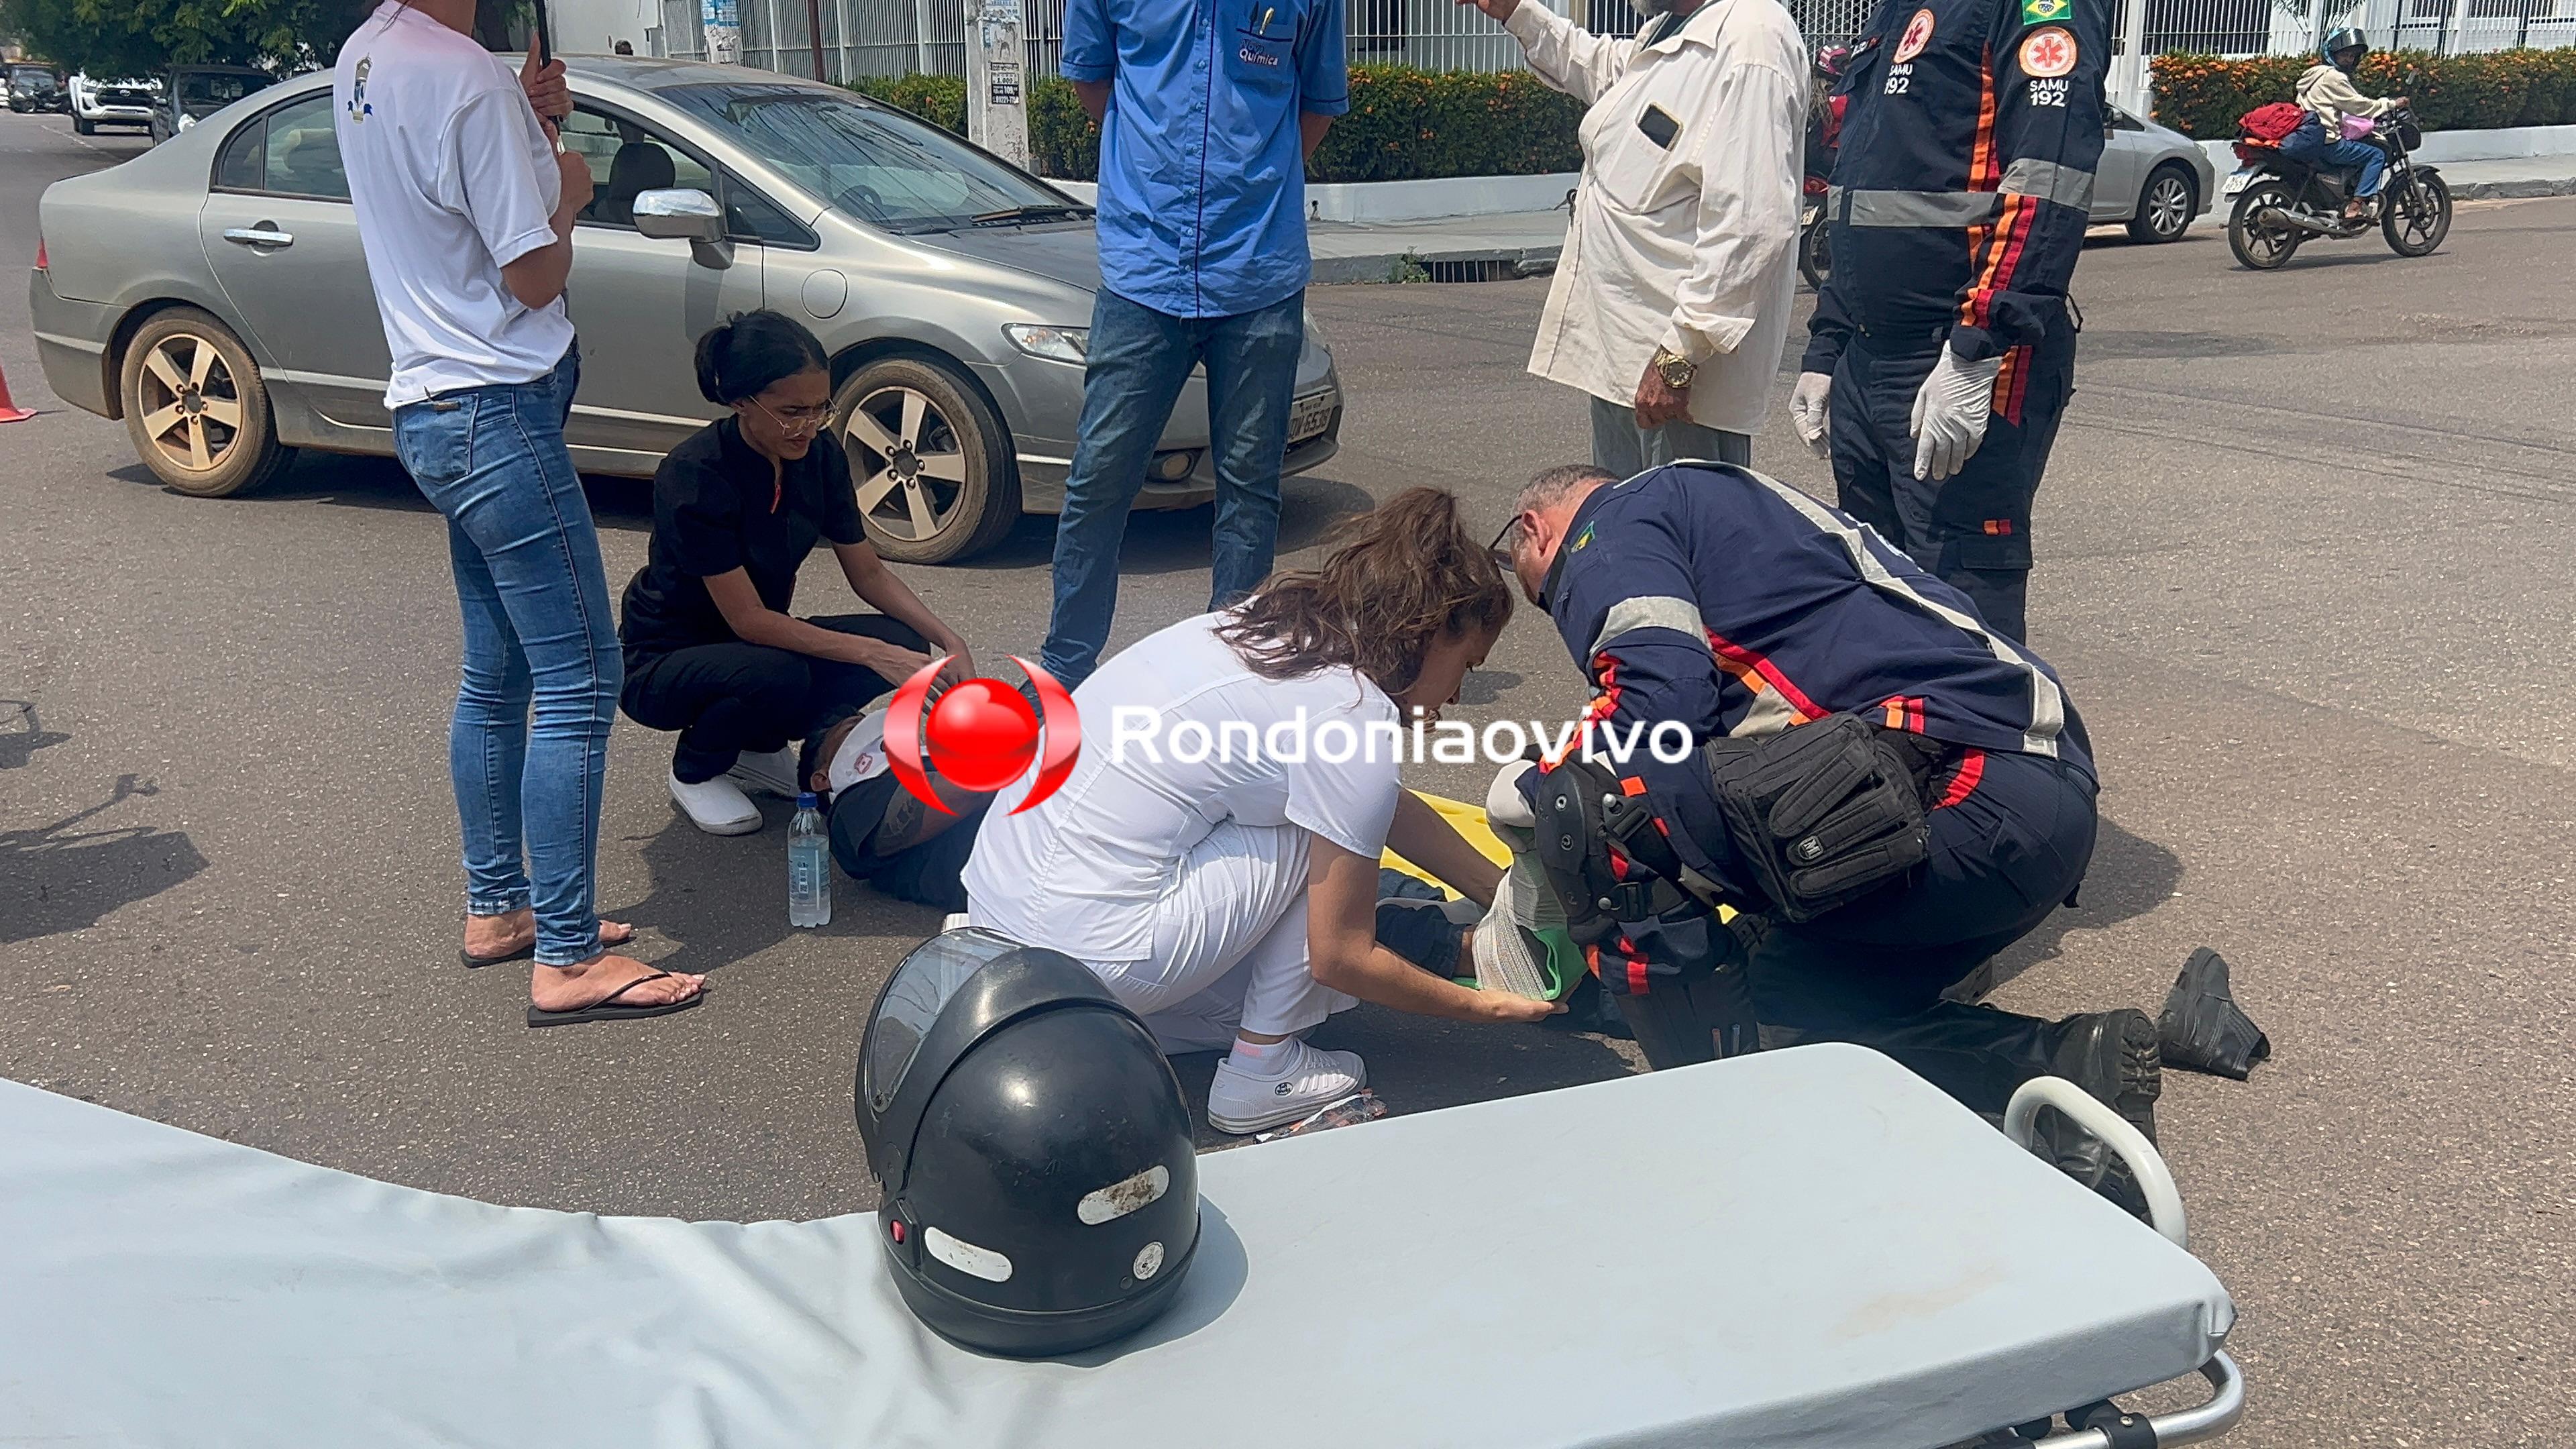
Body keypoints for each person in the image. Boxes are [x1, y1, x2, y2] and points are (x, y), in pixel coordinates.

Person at [1493, 462, 2161, 1199]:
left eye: (1550, 595)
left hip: (1965, 786)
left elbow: (1659, 709)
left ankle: (1718, 1139)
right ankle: (2066, 1065)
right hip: (2020, 811)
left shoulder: (1610, 525)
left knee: (1594, 811)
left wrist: (1536, 790)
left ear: (1537, 530)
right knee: (1776, 1016)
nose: (1565, 612)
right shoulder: (1723, 512)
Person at [965, 490, 1559, 1134]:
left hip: (999, 925)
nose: (1461, 694)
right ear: (1429, 630)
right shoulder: (1350, 715)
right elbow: (1341, 955)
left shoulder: (1270, 626)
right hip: (1087, 945)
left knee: (1315, 866)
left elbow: (1376, 805)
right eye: (1466, 664)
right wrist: (1484, 1009)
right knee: (1318, 846)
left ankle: (1111, 1021)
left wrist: (1501, 893)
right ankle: (1260, 1073)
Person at [336, 0, 704, 1028]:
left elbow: (450, 205)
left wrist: (531, 125)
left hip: (435, 404)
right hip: (496, 409)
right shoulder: (464, 77)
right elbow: (533, 275)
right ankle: (570, 956)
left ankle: (501, 906)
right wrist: (571, 188)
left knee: (497, 675)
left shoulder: (371, 53)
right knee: (583, 678)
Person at [1036, 0, 1348, 689]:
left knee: (1250, 490)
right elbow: (1093, 81)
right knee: (1099, 481)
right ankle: (1066, 667)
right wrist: (1151, 168)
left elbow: (1317, 106)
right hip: (1143, 271)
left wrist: (1254, 181)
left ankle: (1229, 672)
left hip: (1259, 272)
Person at [1787, 0, 2112, 643]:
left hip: (1957, 353)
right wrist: (1828, 346)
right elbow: (1860, 199)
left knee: (1962, 611)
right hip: (1866, 357)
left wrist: (1977, 346)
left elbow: (2047, 180)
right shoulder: (1896, 10)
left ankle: (1979, 714)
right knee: (1880, 600)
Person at [620, 311, 973, 836]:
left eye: (820, 409)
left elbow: (868, 574)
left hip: (757, 645)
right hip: (666, 659)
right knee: (787, 670)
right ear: (742, 401)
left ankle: (757, 749)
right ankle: (695, 771)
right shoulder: (695, 474)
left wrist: (947, 639)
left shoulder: (820, 455)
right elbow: (748, 620)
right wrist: (872, 653)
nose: (808, 426)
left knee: (903, 642)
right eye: (792, 412)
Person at [1455, 0, 1807, 475]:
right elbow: (1603, 70)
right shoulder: (1669, 29)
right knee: (1623, 515)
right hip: (1626, 361)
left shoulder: (1753, 38)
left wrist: (1680, 355)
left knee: (1681, 519)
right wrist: (1516, 11)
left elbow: (1751, 221)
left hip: (1678, 383)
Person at [799, 704, 989, 914]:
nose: (867, 727)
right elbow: (968, 791)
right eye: (851, 730)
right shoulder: (850, 810)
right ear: (823, 779)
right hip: (1004, 872)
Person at [2286, 27, 2404, 223]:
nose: (2348, 60)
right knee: (2376, 155)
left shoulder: (2312, 75)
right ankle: (2355, 206)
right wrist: (2389, 104)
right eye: (2344, 55)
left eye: (2352, 56)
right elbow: (2359, 106)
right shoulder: (2335, 77)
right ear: (2332, 53)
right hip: (2327, 143)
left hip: (2306, 136)